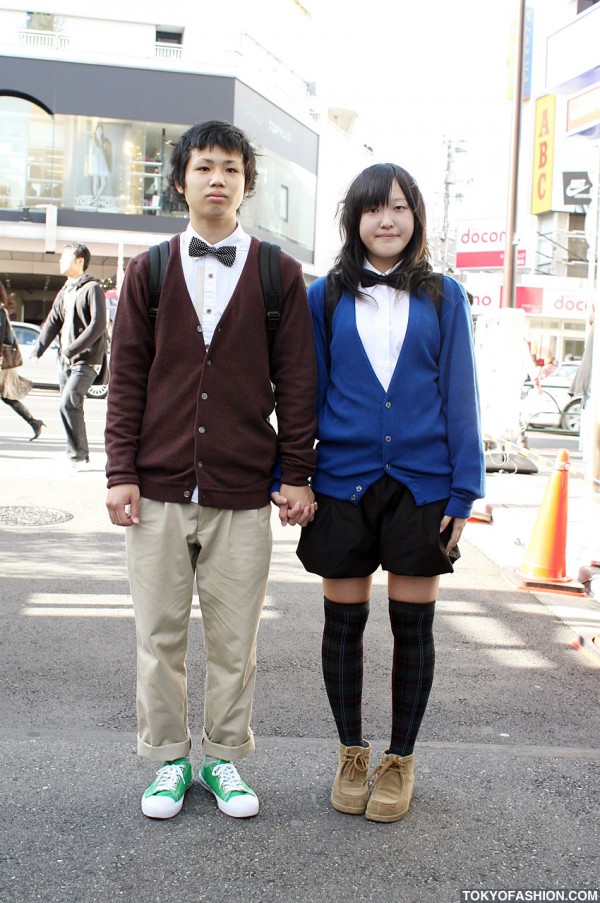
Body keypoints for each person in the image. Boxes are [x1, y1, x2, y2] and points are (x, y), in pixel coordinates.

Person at [105, 120, 317, 821]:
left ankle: (224, 758)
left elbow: (297, 381)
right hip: (159, 486)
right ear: (181, 180)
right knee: (157, 635)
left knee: (235, 639)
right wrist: (119, 471)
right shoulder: (151, 269)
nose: (217, 179)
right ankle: (169, 760)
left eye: (230, 168)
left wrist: (297, 472)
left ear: (247, 184)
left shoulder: (276, 272)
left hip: (242, 487)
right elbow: (127, 376)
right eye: (204, 167)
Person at [297, 162, 485, 823]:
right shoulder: (323, 295)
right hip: (341, 483)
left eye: (400, 207)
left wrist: (466, 489)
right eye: (374, 208)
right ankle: (351, 751)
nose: (387, 219)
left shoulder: (445, 296)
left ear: (417, 218)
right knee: (343, 626)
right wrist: (290, 474)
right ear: (354, 219)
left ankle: (400, 758)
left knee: (414, 627)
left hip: (422, 485)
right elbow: (303, 393)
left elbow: (460, 396)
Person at [31, 243, 107, 467]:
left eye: (65, 257)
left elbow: (98, 325)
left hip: (87, 359)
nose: (60, 261)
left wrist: (73, 348)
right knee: (71, 406)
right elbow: (53, 322)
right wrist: (37, 350)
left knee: (68, 403)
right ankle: (76, 454)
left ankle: (77, 455)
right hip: (65, 360)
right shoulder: (66, 290)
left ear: (79, 260)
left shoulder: (92, 289)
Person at [0, 283, 45, 440]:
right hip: (4, 362)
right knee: (7, 396)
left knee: (7, 396)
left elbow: (1, 336)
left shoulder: (0, 311)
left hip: (2, 362)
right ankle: (34, 422)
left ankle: (34, 422)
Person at [88, 122, 112, 201]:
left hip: (102, 163)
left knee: (103, 182)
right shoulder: (92, 141)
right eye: (98, 130)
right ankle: (95, 198)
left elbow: (106, 153)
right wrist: (91, 163)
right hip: (95, 162)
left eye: (101, 130)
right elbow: (90, 154)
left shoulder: (104, 141)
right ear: (95, 131)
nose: (100, 131)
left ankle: (96, 197)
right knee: (95, 181)